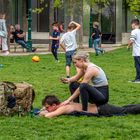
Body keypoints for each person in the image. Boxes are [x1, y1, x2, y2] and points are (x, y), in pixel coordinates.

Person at [39, 95, 140, 118]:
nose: (46, 109)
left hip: (102, 110)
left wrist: (44, 113)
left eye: (48, 107)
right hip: (100, 107)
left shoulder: (63, 107)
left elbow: (49, 116)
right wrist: (46, 109)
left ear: (54, 105)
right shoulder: (63, 104)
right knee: (124, 108)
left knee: (125, 111)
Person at [128, 19, 140, 83]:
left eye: (131, 24)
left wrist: (128, 46)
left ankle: (138, 79)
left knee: (137, 66)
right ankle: (137, 78)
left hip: (137, 52)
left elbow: (132, 40)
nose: (131, 26)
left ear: (134, 24)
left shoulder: (134, 31)